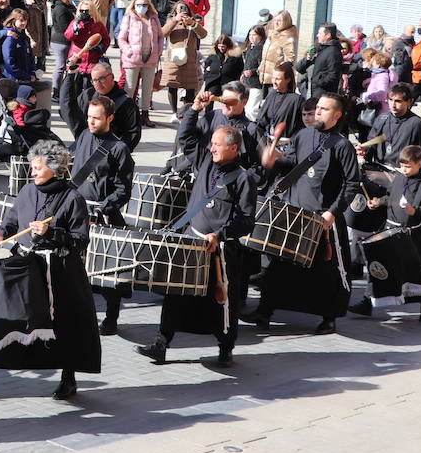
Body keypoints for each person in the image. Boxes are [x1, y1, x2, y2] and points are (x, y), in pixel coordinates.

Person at [0, 140, 101, 400]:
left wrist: (52, 232)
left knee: (64, 326)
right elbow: (12, 222)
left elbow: (81, 239)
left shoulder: (72, 198)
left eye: (38, 167)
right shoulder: (27, 191)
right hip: (27, 267)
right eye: (32, 167)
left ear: (55, 168)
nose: (33, 172)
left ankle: (68, 379)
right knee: (6, 318)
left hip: (60, 273)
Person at [138, 124, 257, 368]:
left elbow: (246, 220)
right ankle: (161, 343)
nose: (211, 147)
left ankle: (225, 348)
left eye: (217, 144)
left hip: (221, 251)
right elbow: (185, 138)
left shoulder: (244, 179)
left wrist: (220, 235)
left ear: (233, 148)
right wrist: (194, 109)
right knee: (176, 294)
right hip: (191, 242)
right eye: (211, 143)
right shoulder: (205, 162)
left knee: (222, 301)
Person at [251, 92, 362, 335]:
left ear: (337, 115)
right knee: (279, 266)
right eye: (318, 108)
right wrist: (274, 161)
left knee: (326, 273)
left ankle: (329, 317)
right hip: (294, 211)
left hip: (322, 217)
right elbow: (291, 164)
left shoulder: (342, 146)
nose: (318, 112)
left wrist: (332, 213)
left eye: (324, 109)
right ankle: (265, 310)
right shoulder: (303, 135)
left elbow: (352, 183)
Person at [349, 144, 421, 321]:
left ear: (419, 164)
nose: (404, 170)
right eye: (402, 165)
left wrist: (417, 212)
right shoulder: (398, 178)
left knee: (416, 272)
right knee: (379, 265)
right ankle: (368, 302)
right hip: (389, 231)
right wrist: (378, 202)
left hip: (411, 236)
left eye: (408, 166)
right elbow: (391, 197)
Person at [72, 97, 135, 334]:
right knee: (75, 269)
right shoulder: (84, 136)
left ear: (109, 118)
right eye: (89, 116)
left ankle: (111, 318)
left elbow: (123, 190)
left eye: (96, 118)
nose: (90, 121)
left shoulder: (119, 148)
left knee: (108, 272)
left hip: (103, 216)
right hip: (78, 212)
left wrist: (103, 208)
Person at [61, 61, 142, 151]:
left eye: (102, 79)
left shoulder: (126, 103)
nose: (98, 83)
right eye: (94, 80)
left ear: (112, 77)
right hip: (87, 147)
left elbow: (133, 134)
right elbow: (69, 110)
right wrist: (71, 74)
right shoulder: (87, 95)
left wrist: (118, 152)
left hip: (110, 151)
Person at [360, 83, 421, 172]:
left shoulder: (417, 123)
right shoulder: (382, 119)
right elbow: (371, 144)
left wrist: (413, 170)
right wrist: (364, 150)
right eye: (390, 100)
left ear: (409, 102)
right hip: (379, 172)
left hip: (402, 176)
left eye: (398, 101)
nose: (393, 105)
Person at [118, 0, 164, 124]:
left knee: (147, 88)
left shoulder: (154, 18)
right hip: (132, 58)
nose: (142, 7)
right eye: (139, 4)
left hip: (150, 58)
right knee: (130, 87)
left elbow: (160, 36)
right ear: (134, 5)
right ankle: (128, 115)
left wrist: (159, 50)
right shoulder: (129, 17)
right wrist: (128, 50)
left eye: (145, 4)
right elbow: (121, 38)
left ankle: (145, 115)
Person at [159, 2, 207, 117]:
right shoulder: (171, 21)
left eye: (185, 8)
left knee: (190, 87)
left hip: (190, 59)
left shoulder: (193, 22)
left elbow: (203, 34)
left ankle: (187, 113)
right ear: (176, 11)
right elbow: (162, 33)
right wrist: (175, 20)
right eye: (180, 9)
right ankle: (174, 113)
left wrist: (193, 23)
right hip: (173, 59)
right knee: (172, 85)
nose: (183, 10)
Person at [255, 63, 305, 142]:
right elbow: (261, 120)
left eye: (277, 79)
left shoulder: (296, 100)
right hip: (268, 141)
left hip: (286, 144)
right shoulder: (271, 95)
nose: (274, 82)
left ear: (288, 80)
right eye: (273, 78)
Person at [297, 23, 344, 97]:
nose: (317, 35)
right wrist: (307, 59)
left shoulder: (333, 52)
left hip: (322, 95)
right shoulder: (319, 49)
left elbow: (333, 76)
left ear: (328, 35)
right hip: (312, 92)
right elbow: (299, 68)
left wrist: (317, 81)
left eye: (319, 33)